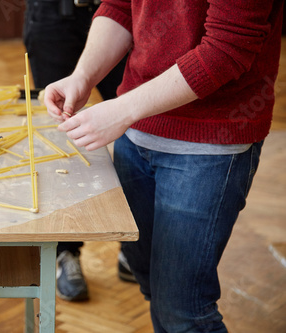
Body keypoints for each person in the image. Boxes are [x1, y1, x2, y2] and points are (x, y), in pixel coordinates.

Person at [44, 0, 282, 331]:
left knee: (183, 310)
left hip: (209, 144)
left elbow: (227, 49)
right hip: (137, 131)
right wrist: (83, 76)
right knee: (153, 284)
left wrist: (122, 110)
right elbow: (121, 7)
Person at [23, 0, 133, 302]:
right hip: (54, 13)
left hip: (129, 10)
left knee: (137, 127)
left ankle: (136, 248)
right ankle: (64, 252)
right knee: (58, 138)